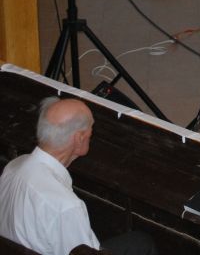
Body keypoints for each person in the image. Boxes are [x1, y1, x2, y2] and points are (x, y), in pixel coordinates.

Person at [0, 97, 156, 255]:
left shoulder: (14, 165)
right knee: (142, 243)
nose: (91, 134)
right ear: (79, 138)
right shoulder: (66, 207)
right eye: (90, 130)